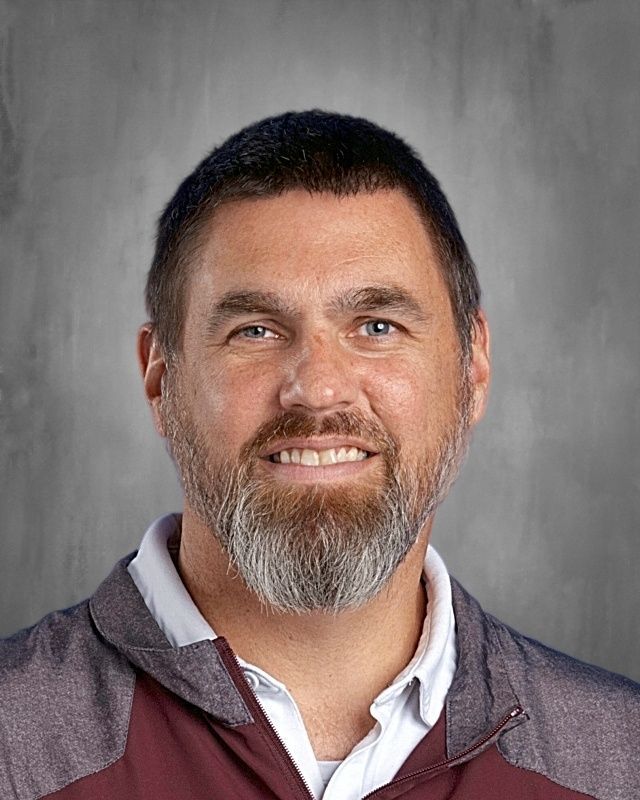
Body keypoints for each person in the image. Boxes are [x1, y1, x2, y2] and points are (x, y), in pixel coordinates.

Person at [0, 110, 638, 800]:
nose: (318, 389)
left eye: (376, 325)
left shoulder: (621, 761)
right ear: (161, 378)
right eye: (255, 329)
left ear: (472, 368)